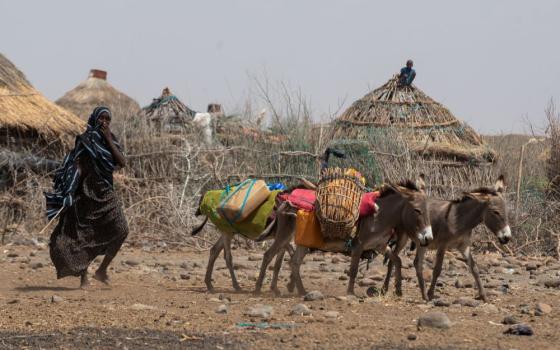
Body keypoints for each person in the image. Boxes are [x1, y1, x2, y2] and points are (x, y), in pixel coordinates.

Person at [45, 106, 128, 288]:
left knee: (122, 230)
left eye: (107, 119)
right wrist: (69, 191)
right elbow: (77, 165)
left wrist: (107, 138)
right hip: (85, 194)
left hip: (106, 193)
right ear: (94, 119)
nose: (104, 122)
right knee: (84, 236)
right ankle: (84, 277)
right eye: (101, 119)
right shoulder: (85, 140)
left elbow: (121, 162)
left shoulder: (111, 140)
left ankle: (102, 270)